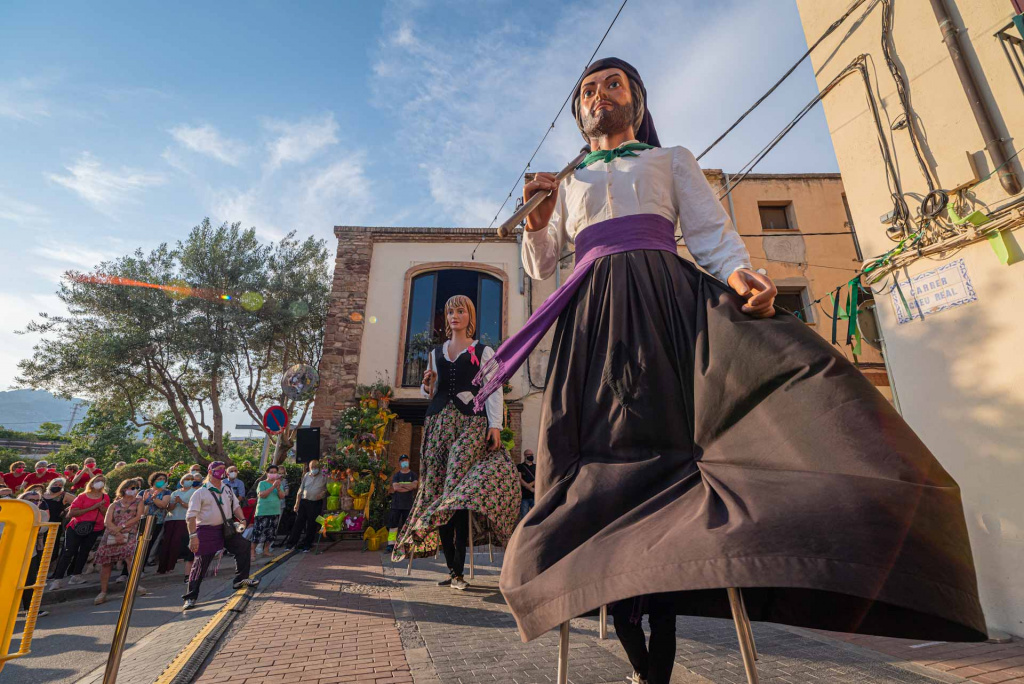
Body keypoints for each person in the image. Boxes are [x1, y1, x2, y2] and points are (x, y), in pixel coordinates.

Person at [476, 57, 985, 683]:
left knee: (676, 449)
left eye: (615, 85)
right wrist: (535, 220)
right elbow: (542, 262)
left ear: (637, 103)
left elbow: (712, 234)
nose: (600, 95)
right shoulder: (567, 182)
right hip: (594, 323)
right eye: (588, 90)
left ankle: (671, 603)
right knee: (592, 455)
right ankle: (612, 603)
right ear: (578, 115)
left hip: (666, 308)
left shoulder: (670, 161)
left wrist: (740, 274)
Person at [392, 295, 520, 592]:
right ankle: (454, 570)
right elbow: (431, 392)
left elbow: (493, 389)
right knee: (438, 489)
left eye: (460, 311)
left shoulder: (483, 350)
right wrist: (426, 387)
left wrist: (495, 425)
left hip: (469, 424)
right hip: (437, 423)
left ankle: (461, 565)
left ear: (469, 316)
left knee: (456, 493)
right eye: (450, 311)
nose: (454, 315)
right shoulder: (436, 352)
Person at [183, 461, 258, 610]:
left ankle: (241, 579)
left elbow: (236, 506)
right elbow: (190, 517)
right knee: (201, 563)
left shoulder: (227, 489)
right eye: (218, 469)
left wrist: (242, 519)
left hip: (226, 528)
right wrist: (193, 536)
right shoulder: (200, 492)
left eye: (224, 469)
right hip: (206, 530)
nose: (222, 472)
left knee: (243, 546)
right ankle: (191, 596)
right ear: (210, 472)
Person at [48, 473, 109, 589]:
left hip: (95, 528)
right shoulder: (82, 496)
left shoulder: (105, 497)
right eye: (97, 480)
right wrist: (92, 507)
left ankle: (76, 575)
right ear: (92, 482)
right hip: (76, 527)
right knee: (68, 552)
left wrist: (101, 507)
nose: (100, 482)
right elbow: (71, 513)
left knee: (84, 552)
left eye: (102, 481)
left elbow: (106, 513)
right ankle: (58, 580)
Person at [93, 478, 147, 605]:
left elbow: (139, 517)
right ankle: (103, 592)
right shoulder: (114, 504)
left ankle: (135, 586)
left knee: (130, 558)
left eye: (136, 488)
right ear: (124, 489)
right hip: (112, 535)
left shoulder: (139, 502)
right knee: (106, 563)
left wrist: (121, 527)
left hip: (130, 533)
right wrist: (116, 532)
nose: (134, 491)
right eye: (132, 488)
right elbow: (107, 521)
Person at [16, 490, 51, 619]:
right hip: (10, 553)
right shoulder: (13, 512)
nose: (35, 503)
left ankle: (30, 610)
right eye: (31, 500)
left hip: (30, 552)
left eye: (37, 500)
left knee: (30, 582)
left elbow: (43, 528)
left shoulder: (39, 514)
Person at [157, 472, 200, 575]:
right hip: (171, 519)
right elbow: (169, 508)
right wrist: (175, 503)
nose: (189, 481)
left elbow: (193, 507)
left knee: (177, 542)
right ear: (182, 482)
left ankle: (172, 565)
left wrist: (181, 502)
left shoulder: (195, 492)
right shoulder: (175, 492)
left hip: (184, 519)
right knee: (166, 543)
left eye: (191, 479)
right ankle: (162, 568)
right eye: (187, 479)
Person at [286, 460, 327, 552]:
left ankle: (307, 544)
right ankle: (291, 543)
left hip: (315, 502)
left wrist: (322, 494)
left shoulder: (324, 476)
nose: (314, 469)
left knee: (312, 524)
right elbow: (300, 490)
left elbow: (326, 488)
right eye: (312, 467)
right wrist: (297, 503)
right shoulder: (306, 475)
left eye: (315, 467)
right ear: (309, 467)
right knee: (298, 522)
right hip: (304, 501)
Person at [386, 455, 418, 552]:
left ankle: (405, 544)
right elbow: (395, 488)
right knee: (393, 525)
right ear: (400, 463)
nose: (404, 462)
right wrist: (408, 486)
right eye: (402, 461)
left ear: (408, 462)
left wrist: (402, 485)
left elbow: (414, 486)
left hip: (408, 504)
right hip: (396, 504)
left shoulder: (413, 475)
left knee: (406, 526)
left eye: (406, 460)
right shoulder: (397, 475)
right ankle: (391, 545)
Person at [251, 465, 284, 558]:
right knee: (258, 532)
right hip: (263, 512)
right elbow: (262, 495)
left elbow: (282, 496)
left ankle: (266, 550)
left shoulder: (279, 484)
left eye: (275, 472)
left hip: (275, 511)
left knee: (271, 533)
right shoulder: (262, 483)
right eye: (271, 472)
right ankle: (252, 552)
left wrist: (277, 488)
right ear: (267, 473)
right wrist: (273, 487)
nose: (273, 474)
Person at [41, 477, 74, 569]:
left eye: (60, 485)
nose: (57, 486)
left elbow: (78, 502)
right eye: (56, 484)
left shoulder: (64, 495)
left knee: (53, 545)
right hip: (42, 523)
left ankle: (49, 565)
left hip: (55, 524)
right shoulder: (43, 495)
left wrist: (67, 510)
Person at [141, 471, 172, 567]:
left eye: (164, 479)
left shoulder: (167, 492)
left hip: (157, 521)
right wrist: (145, 500)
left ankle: (143, 565)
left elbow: (163, 505)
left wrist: (154, 498)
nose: (162, 481)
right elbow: (139, 505)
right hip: (143, 520)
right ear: (153, 480)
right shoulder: (144, 492)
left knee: (150, 543)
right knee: (140, 543)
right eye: (159, 479)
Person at [516, 450, 536, 519]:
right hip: (524, 496)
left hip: (535, 496)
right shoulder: (520, 466)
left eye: (532, 454)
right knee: (524, 517)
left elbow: (538, 477)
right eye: (529, 454)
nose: (531, 456)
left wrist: (531, 484)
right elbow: (519, 478)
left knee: (536, 516)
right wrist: (530, 488)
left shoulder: (536, 466)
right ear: (525, 456)